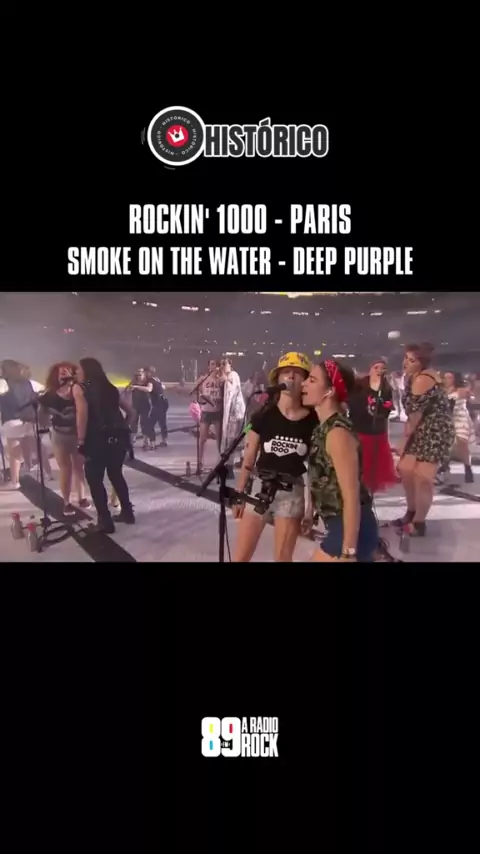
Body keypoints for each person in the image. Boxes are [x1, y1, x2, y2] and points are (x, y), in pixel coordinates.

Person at [232, 352, 316, 562]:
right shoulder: (263, 415)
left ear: (306, 380)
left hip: (291, 493)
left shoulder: (314, 420)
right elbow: (249, 458)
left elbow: (314, 468)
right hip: (260, 488)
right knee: (240, 557)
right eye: (286, 372)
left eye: (297, 373)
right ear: (278, 379)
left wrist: (310, 510)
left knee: (282, 558)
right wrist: (239, 495)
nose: (291, 376)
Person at [301, 359, 378, 562]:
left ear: (330, 391)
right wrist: (310, 512)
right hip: (338, 526)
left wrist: (348, 552)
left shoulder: (337, 434)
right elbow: (320, 475)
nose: (304, 384)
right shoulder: (322, 428)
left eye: (312, 380)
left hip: (351, 531)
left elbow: (351, 497)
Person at [393, 343, 455, 537]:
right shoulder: (413, 376)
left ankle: (419, 523)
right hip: (422, 428)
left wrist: (403, 442)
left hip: (434, 432)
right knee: (405, 469)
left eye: (412, 360)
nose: (406, 362)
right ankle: (412, 512)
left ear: (422, 363)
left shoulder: (422, 379)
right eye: (406, 358)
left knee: (423, 478)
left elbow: (415, 416)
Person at [76, 357, 135, 533]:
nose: (76, 372)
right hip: (118, 439)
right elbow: (132, 412)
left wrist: (80, 440)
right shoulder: (110, 388)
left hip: (96, 439)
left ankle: (105, 521)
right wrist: (123, 426)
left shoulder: (81, 389)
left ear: (87, 370)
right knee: (116, 475)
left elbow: (82, 415)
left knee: (95, 480)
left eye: (79, 369)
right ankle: (127, 513)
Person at [39, 361, 91, 515]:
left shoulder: (79, 391)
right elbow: (41, 416)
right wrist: (44, 419)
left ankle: (82, 498)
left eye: (68, 371)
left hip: (78, 434)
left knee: (79, 467)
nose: (65, 373)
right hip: (59, 434)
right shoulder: (50, 395)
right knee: (65, 469)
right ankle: (67, 502)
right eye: (61, 372)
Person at [347, 358, 398, 494]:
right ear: (370, 370)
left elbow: (386, 413)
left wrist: (383, 408)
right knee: (359, 468)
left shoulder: (386, 389)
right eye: (376, 368)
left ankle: (369, 495)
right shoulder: (359, 386)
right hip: (360, 431)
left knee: (374, 472)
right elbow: (352, 405)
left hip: (377, 434)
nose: (379, 371)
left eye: (382, 368)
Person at [0, 359, 52, 490]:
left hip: (12, 419)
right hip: (30, 419)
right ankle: (48, 473)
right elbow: (45, 392)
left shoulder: (3, 383)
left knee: (14, 453)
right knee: (38, 447)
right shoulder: (30, 383)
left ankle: (15, 481)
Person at [443, 371, 475, 483]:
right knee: (447, 444)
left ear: (454, 379)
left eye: (449, 377)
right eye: (445, 377)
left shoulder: (461, 390)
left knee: (462, 443)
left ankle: (468, 468)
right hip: (448, 420)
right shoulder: (442, 391)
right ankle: (445, 465)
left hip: (461, 419)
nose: (446, 379)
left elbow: (471, 395)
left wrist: (470, 388)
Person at [218, 358, 246, 478]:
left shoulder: (233, 375)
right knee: (228, 441)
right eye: (222, 364)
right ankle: (227, 466)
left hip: (235, 414)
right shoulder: (225, 378)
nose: (223, 366)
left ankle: (231, 466)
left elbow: (232, 391)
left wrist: (225, 377)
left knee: (233, 441)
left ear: (230, 365)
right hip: (229, 414)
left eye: (225, 364)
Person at [126, 369, 154, 450]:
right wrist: (130, 388)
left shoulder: (148, 381)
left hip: (145, 406)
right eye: (137, 375)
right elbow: (127, 390)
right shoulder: (133, 381)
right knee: (133, 423)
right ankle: (131, 441)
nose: (138, 376)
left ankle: (145, 442)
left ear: (143, 374)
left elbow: (149, 389)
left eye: (140, 375)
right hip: (135, 405)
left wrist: (136, 387)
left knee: (144, 423)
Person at [145, 366, 169, 447]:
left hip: (158, 404)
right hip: (164, 402)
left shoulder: (150, 381)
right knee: (162, 422)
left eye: (146, 372)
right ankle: (164, 440)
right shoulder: (157, 379)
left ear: (149, 372)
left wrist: (137, 387)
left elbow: (149, 389)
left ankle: (153, 443)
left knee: (149, 424)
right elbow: (163, 387)